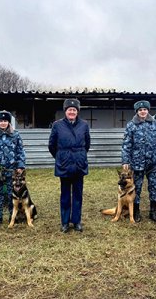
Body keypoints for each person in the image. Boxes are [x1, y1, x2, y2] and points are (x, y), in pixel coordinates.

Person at [48, 99, 90, 233]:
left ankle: (76, 221)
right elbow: (51, 145)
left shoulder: (84, 125)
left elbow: (87, 144)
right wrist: (61, 157)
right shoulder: (57, 125)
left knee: (78, 194)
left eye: (74, 110)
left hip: (79, 164)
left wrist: (80, 155)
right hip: (64, 164)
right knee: (65, 195)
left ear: (77, 111)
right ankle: (65, 222)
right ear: (65, 111)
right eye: (69, 110)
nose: (72, 112)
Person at [122, 100, 156, 222]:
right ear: (137, 111)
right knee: (137, 187)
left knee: (154, 186)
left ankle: (153, 211)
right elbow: (126, 144)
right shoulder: (131, 125)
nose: (143, 112)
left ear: (148, 111)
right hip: (137, 163)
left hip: (154, 162)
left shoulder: (155, 124)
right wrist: (125, 160)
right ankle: (136, 212)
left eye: (145, 110)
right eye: (140, 110)